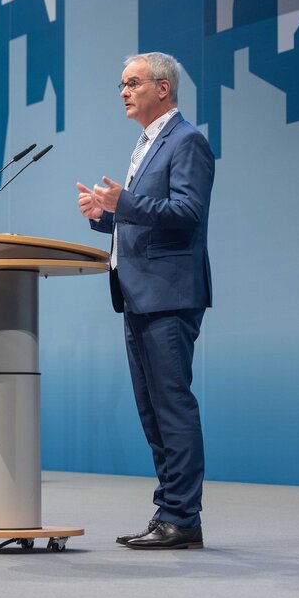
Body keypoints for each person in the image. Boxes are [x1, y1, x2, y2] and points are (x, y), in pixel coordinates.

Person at [75, 52, 214, 550]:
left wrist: (125, 203)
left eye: (132, 83)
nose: (124, 92)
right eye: (121, 84)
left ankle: (183, 517)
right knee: (152, 410)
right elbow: (147, 218)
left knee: (172, 407)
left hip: (168, 295)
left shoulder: (187, 140)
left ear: (163, 88)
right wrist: (105, 216)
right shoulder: (148, 143)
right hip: (139, 294)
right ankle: (168, 513)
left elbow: (187, 211)